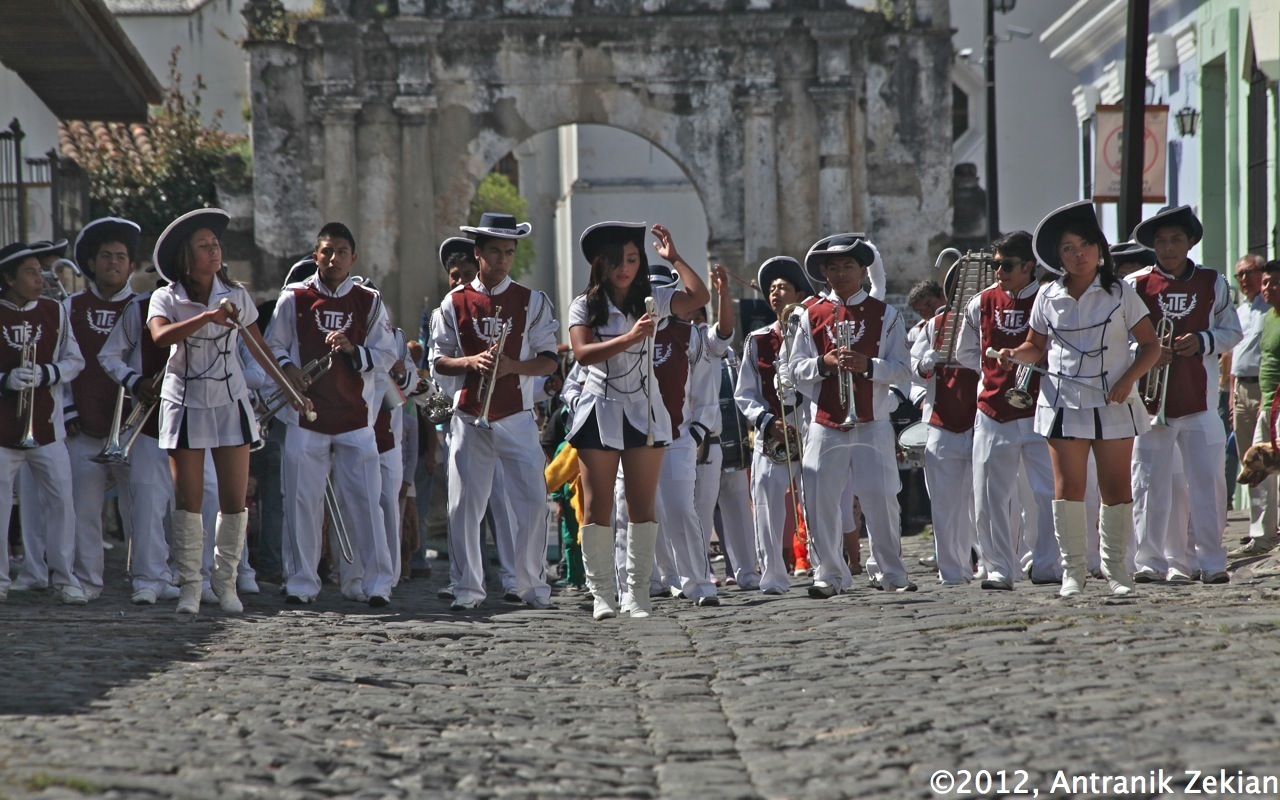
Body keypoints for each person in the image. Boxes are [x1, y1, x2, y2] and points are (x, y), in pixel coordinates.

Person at [997, 201, 1160, 598]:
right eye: (1068, 247)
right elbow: (1035, 346)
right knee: (1068, 489)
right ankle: (1073, 572)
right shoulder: (1048, 296)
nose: (1078, 254)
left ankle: (1116, 570)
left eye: (1085, 244)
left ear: (1099, 249)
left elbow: (1151, 346)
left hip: (1114, 403)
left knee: (1116, 487)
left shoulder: (1121, 292)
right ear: (1058, 255)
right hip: (1062, 403)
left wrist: (1127, 382)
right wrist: (1015, 355)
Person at [567, 222, 710, 620]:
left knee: (641, 506)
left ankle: (637, 593)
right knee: (596, 507)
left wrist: (676, 259)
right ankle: (601, 594)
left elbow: (700, 296)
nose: (625, 268)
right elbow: (582, 354)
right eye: (617, 261)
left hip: (645, 413)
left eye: (632, 260)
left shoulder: (654, 300)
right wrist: (631, 338)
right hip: (599, 408)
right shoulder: (584, 305)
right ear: (601, 264)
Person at [432, 212, 560, 611]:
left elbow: (549, 360)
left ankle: (532, 585)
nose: (503, 260)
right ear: (478, 253)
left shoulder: (532, 301)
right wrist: (471, 362)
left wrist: (513, 366)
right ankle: (467, 588)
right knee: (464, 505)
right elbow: (438, 361)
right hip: (470, 415)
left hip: (517, 415)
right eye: (495, 253)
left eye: (509, 252)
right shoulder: (454, 302)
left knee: (533, 502)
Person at [266, 222, 395, 607]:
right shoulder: (293, 297)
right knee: (302, 503)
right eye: (326, 250)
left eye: (341, 250)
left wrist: (354, 350)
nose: (333, 257)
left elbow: (388, 354)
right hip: (306, 417)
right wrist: (289, 369)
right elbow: (273, 345)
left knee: (366, 503)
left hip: (356, 419)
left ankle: (377, 583)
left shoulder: (369, 300)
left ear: (353, 258)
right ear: (314, 256)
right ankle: (302, 581)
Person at [788, 233, 913, 597]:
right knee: (820, 500)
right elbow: (793, 369)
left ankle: (891, 572)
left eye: (849, 266)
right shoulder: (810, 314)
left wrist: (868, 366)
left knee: (881, 496)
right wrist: (822, 364)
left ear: (862, 270)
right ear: (824, 273)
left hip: (872, 420)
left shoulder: (885, 314)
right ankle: (829, 573)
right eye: (834, 267)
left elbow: (903, 369)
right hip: (826, 421)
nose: (842, 274)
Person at [1127, 205, 1241, 585]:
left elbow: (1232, 331)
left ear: (1190, 242)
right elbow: (1116, 342)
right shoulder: (1137, 285)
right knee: (1148, 486)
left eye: (1176, 240)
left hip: (1201, 402)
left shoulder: (1213, 281)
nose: (1168, 248)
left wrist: (1204, 341)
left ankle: (1210, 561)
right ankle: (1150, 562)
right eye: (1160, 241)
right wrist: (1146, 353)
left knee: (1207, 484)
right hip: (1150, 405)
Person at [956, 231, 1060, 590]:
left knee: (1047, 492)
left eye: (1006, 265)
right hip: (993, 411)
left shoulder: (1050, 299)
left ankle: (1048, 564)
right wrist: (994, 376)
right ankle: (1000, 567)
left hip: (1040, 409)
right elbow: (966, 354)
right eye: (995, 264)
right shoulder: (980, 302)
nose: (998, 271)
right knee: (988, 495)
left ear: (1029, 266)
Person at [0, 242, 88, 605]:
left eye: (40, 271)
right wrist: (5, 379)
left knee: (62, 502)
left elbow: (75, 360)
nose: (40, 279)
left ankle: (65, 578)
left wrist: (47, 372)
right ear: (8, 278)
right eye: (30, 273)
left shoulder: (55, 311)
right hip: (3, 430)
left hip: (47, 427)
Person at [62, 218, 139, 600]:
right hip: (83, 424)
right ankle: (87, 581)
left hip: (131, 426)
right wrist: (67, 410)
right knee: (83, 507)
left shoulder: (144, 307)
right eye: (105, 256)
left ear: (131, 266)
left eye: (120, 257)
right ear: (91, 264)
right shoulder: (69, 306)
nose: (113, 262)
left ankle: (146, 579)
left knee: (139, 505)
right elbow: (58, 361)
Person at [735, 256, 813, 594]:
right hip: (773, 435)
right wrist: (768, 422)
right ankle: (772, 575)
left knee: (819, 501)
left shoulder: (815, 333)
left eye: (782, 287)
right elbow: (744, 394)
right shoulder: (756, 340)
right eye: (770, 289)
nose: (775, 293)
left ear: (798, 292)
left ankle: (826, 568)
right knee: (765, 498)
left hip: (812, 431)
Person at [911, 260, 980, 585]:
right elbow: (911, 367)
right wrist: (925, 364)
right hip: (942, 419)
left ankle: (995, 565)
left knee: (987, 501)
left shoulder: (986, 317)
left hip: (983, 418)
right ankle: (952, 571)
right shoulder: (933, 325)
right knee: (944, 503)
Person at [1228, 253, 1275, 557]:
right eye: (1239, 275)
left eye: (1250, 273)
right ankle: (1257, 531)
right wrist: (1231, 393)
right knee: (1249, 464)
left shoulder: (1270, 310)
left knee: (1266, 461)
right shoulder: (1239, 311)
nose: (1244, 280)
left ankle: (1269, 531)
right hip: (1240, 388)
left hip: (1264, 389)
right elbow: (1232, 354)